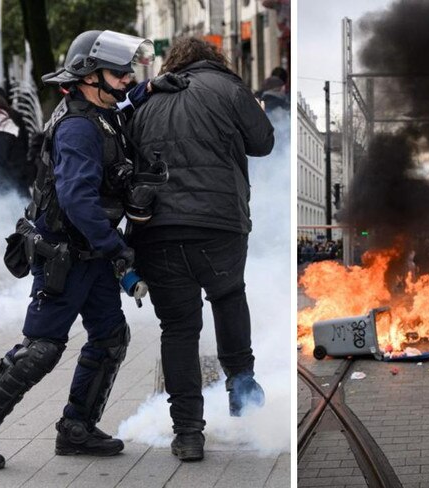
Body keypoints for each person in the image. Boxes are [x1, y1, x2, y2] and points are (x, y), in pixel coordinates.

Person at [0, 30, 154, 470]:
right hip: (66, 257)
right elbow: (77, 201)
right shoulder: (76, 127)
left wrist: (153, 87)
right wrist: (118, 250)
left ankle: (77, 428)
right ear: (90, 76)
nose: (127, 79)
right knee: (42, 348)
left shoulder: (101, 112)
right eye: (119, 72)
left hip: (92, 255)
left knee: (110, 338)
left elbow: (128, 102)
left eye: (130, 72)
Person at [129, 36, 274, 462]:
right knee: (228, 297)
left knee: (178, 331)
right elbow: (263, 143)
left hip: (157, 228)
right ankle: (241, 384)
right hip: (219, 223)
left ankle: (188, 433)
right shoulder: (230, 89)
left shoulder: (146, 100)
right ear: (215, 58)